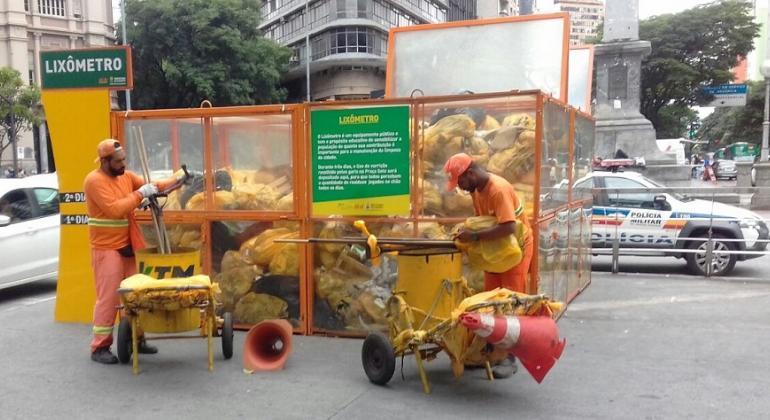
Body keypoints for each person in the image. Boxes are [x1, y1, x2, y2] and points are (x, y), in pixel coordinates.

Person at [84, 139, 182, 364]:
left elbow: (153, 186)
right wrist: (139, 195)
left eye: (124, 160)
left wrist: (178, 178)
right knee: (108, 299)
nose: (123, 164)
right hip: (106, 248)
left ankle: (137, 339)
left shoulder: (126, 177)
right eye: (118, 161)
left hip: (127, 245)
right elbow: (115, 210)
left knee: (137, 294)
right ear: (105, 161)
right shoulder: (94, 181)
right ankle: (100, 347)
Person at [444, 152, 534, 379]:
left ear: (470, 174)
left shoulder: (498, 189)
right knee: (490, 300)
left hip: (516, 248)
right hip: (498, 247)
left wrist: (473, 238)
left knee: (511, 301)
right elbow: (482, 222)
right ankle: (489, 352)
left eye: (461, 182)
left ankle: (509, 357)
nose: (461, 188)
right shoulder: (476, 190)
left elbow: (508, 228)